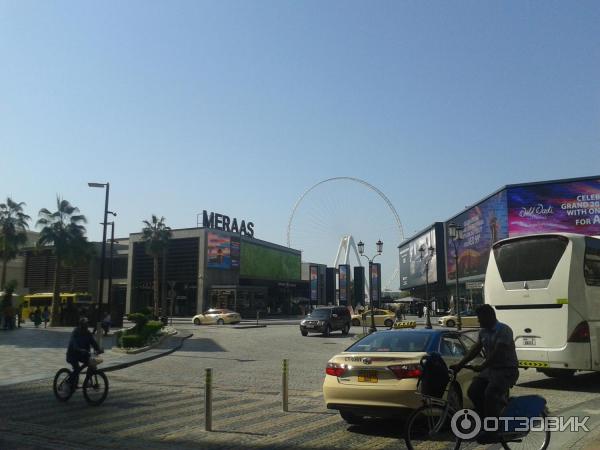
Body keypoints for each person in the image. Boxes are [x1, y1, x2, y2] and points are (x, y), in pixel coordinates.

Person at [450, 304, 519, 441]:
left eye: (481, 318)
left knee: (490, 394)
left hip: (506, 370)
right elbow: (475, 350)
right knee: (473, 391)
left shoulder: (504, 330)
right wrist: (460, 365)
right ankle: (487, 421)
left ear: (490, 316)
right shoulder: (483, 332)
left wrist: (483, 366)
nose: (479, 321)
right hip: (491, 370)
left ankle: (492, 431)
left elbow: (497, 352)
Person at [66, 317, 102, 389]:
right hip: (73, 354)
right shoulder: (76, 332)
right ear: (81, 325)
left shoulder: (88, 333)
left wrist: (98, 349)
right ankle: (68, 381)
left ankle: (87, 380)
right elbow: (74, 343)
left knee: (91, 364)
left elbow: (93, 342)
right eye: (85, 324)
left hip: (83, 354)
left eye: (87, 324)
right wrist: (79, 349)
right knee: (77, 369)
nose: (87, 326)